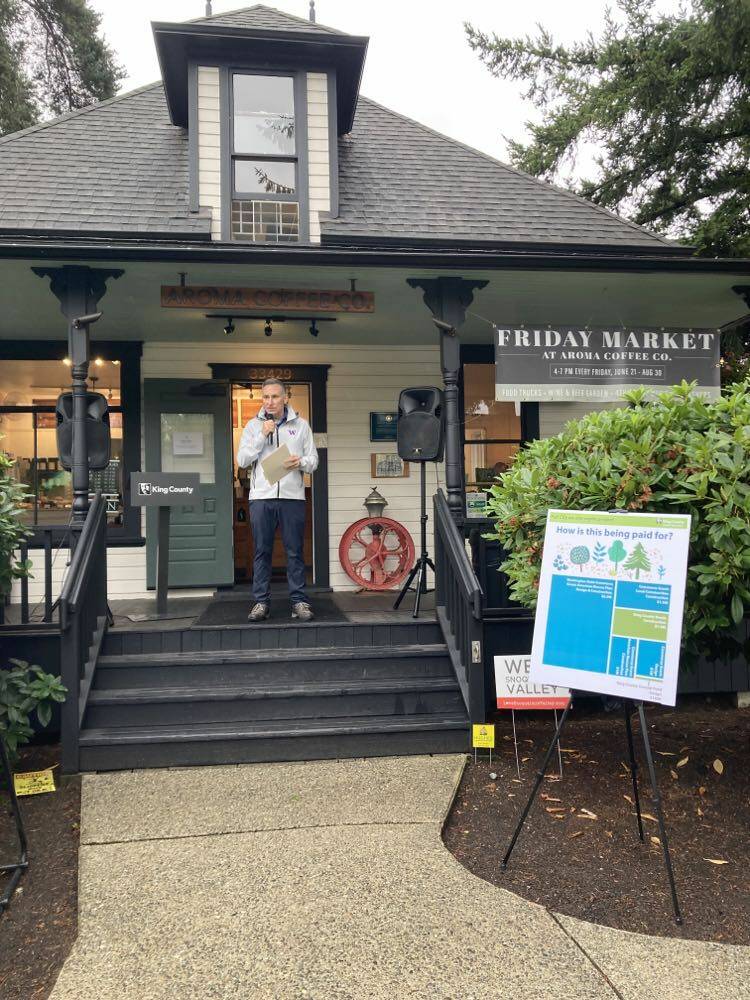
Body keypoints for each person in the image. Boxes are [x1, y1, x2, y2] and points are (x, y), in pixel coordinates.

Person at [236, 378, 319, 621]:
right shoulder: (253, 426)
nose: (269, 402)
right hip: (262, 497)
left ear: (285, 398)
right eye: (265, 397)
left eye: (274, 397)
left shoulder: (301, 425)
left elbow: (313, 460)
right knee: (262, 551)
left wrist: (300, 462)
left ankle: (299, 602)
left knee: (294, 551)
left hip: (292, 497)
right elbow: (242, 460)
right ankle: (261, 602)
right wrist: (262, 435)